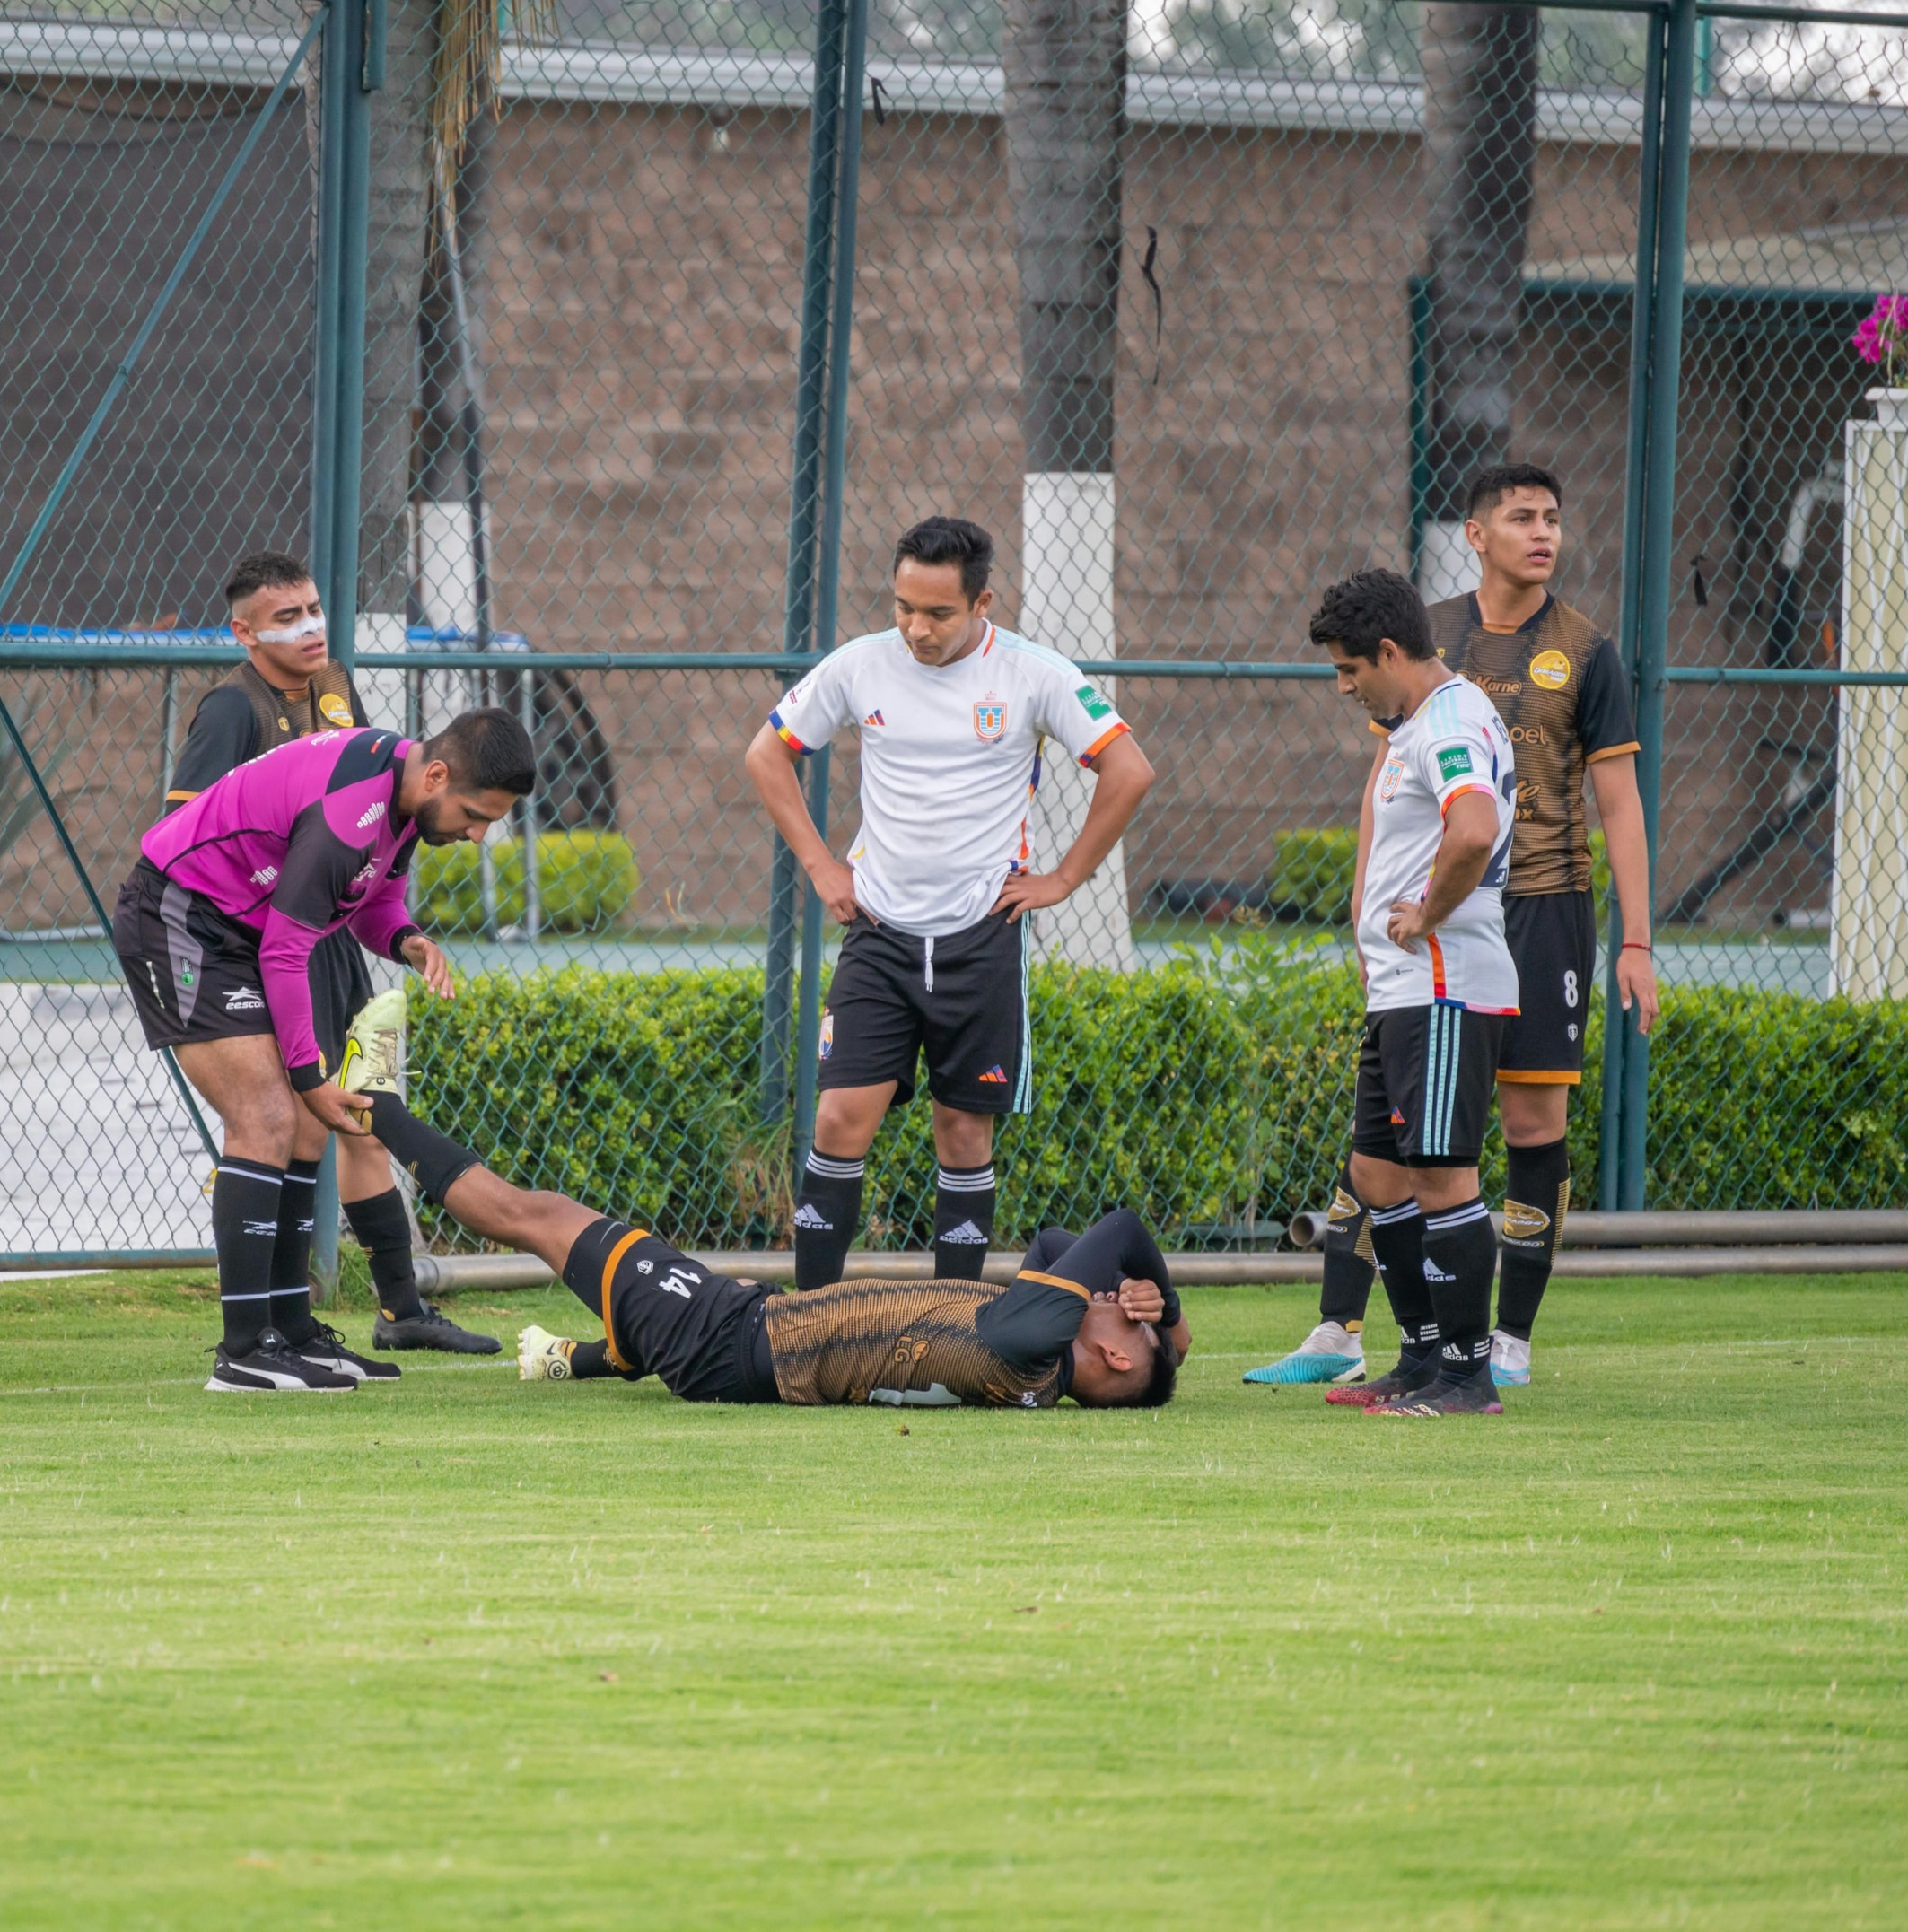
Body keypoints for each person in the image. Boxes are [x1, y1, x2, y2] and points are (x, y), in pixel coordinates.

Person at [1248, 468, 1655, 1392]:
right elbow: (1391, 804)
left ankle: (1487, 1354)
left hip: (1505, 925)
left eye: (1552, 516)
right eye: (1521, 517)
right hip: (1413, 958)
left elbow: (1507, 819)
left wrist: (1633, 937)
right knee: (1382, 1164)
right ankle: (1387, 1345)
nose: (1542, 532)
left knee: (1472, 1150)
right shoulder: (1425, 664)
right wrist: (1367, 928)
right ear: (1474, 533)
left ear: (1385, 655)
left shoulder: (1570, 656)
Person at [336, 997, 1187, 1410]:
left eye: (1129, 1325)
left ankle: (372, 1100)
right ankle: (570, 1357)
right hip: (742, 1338)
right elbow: (1051, 1243)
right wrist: (1138, 1314)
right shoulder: (1031, 1363)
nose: (1119, 1302)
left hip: (728, 1338)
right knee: (622, 1286)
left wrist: (1172, 1315)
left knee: (537, 1215)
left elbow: (1114, 1231)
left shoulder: (1029, 1343)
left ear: (1114, 1361)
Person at [742, 516, 1154, 1291]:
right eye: (903, 607)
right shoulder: (859, 666)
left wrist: (1063, 878)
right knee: (837, 1122)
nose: (915, 629)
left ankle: (952, 1317)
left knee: (962, 1132)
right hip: (879, 935)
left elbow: (1129, 770)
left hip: (983, 939)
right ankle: (812, 1321)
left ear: (982, 603)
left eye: (937, 613)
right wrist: (822, 865)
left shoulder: (1035, 674)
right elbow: (768, 753)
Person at [121, 704, 533, 1394]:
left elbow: (371, 907)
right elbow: (288, 949)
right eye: (475, 813)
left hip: (236, 929)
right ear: (436, 775)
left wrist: (409, 941)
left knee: (306, 1123)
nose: (478, 834)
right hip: (179, 913)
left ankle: (294, 1333)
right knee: (270, 1115)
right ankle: (246, 1347)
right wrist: (310, 1074)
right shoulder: (352, 814)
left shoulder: (403, 804)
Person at [159, 551, 497, 1357]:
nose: (310, 627)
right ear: (243, 633)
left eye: (313, 607)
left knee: (356, 1117)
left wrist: (403, 933)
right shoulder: (230, 709)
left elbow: (369, 817)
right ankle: (270, 1327)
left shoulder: (334, 683)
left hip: (331, 931)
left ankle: (393, 1308)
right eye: (286, 617)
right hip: (271, 935)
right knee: (299, 1117)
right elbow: (188, 823)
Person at [1289, 569, 1518, 1417]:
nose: (1346, 688)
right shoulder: (1413, 722)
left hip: (1445, 991)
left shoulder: (1449, 721)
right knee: (1377, 1175)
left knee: (1443, 1176)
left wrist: (1425, 915)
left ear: (1390, 652)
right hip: (1401, 992)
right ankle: (1421, 1360)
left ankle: (1468, 1375)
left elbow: (1474, 828)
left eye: (1351, 670)